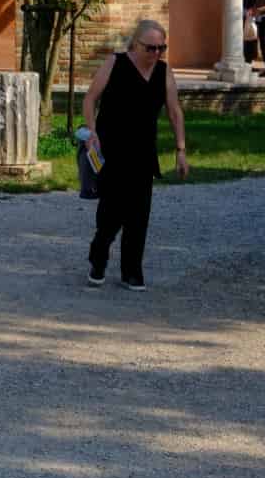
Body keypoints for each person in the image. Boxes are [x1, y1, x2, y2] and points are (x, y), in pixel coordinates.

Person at [81, 19, 189, 291]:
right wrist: (92, 131)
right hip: (111, 150)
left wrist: (181, 149)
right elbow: (90, 98)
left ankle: (132, 271)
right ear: (135, 44)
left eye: (161, 48)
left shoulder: (164, 71)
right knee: (111, 212)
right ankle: (99, 256)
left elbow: (175, 111)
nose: (155, 54)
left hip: (143, 152)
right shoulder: (115, 63)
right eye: (150, 48)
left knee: (139, 215)